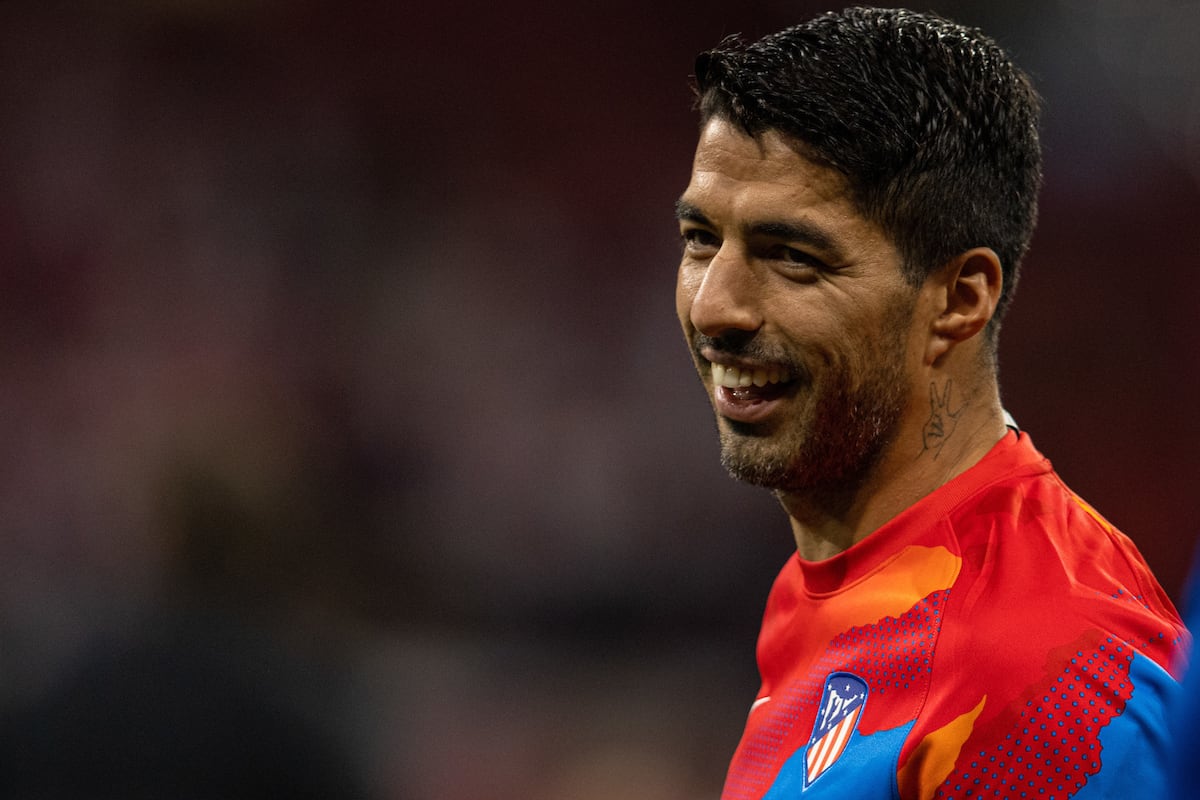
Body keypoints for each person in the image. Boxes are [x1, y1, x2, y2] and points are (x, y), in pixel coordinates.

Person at [673, 7, 1190, 799]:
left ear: (960, 297)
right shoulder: (838, 576)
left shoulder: (1052, 677)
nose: (716, 307)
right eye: (702, 238)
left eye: (792, 256)